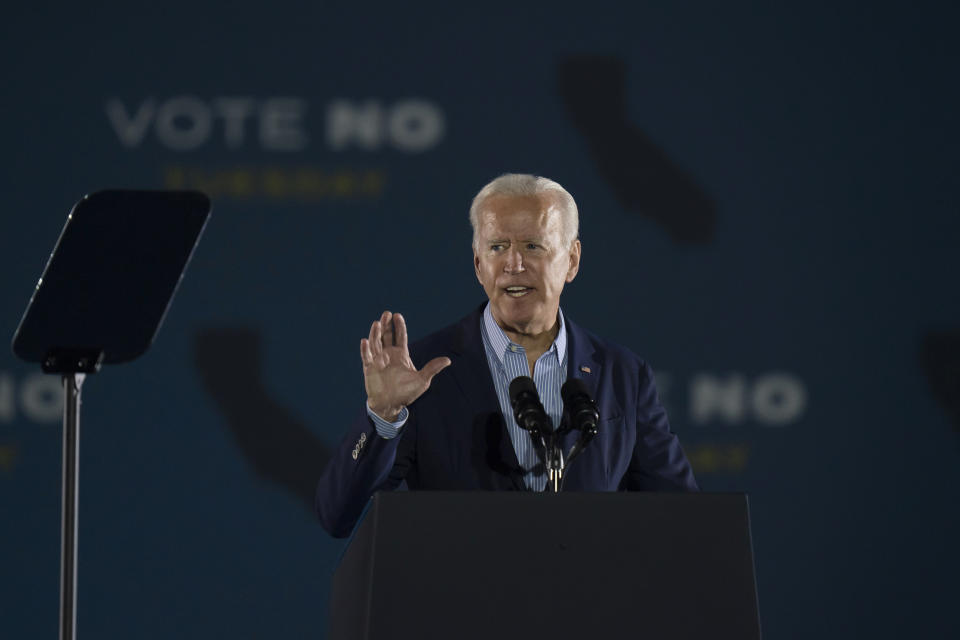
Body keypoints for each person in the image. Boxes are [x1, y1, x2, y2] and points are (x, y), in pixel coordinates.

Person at [316, 174, 697, 538]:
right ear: (479, 264)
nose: (514, 264)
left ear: (572, 260)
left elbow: (684, 521)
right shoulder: (423, 374)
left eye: (533, 245)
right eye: (498, 247)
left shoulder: (623, 375)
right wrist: (383, 417)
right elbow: (337, 515)